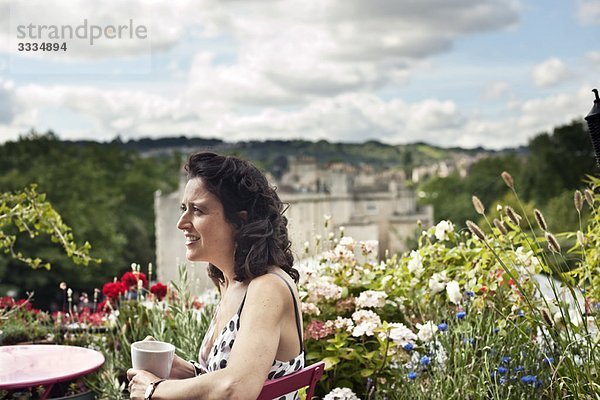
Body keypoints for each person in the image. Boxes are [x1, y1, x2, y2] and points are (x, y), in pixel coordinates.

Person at [127, 152, 304, 400]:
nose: (181, 223)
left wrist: (154, 389)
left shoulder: (268, 288)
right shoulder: (230, 283)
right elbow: (226, 376)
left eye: (197, 210)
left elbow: (236, 389)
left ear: (240, 221)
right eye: (183, 209)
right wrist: (182, 369)